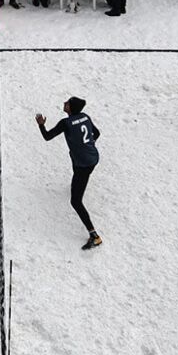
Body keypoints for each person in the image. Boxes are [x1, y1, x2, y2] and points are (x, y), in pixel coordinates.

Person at [36, 97, 102, 250]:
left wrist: (41, 125)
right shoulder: (85, 117)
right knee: (76, 165)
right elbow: (96, 133)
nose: (64, 103)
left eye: (67, 103)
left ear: (71, 108)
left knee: (75, 201)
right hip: (93, 157)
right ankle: (78, 183)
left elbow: (47, 137)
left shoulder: (65, 123)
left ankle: (95, 236)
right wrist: (86, 146)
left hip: (83, 164)